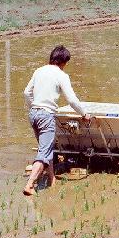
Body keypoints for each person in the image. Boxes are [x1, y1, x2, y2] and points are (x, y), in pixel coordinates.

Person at [22, 45, 92, 196]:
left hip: (33, 114)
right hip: (46, 116)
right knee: (43, 154)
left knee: (46, 149)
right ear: (63, 62)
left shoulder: (39, 70)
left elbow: (26, 92)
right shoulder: (61, 75)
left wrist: (33, 107)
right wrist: (84, 114)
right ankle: (29, 185)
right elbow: (72, 100)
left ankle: (52, 179)